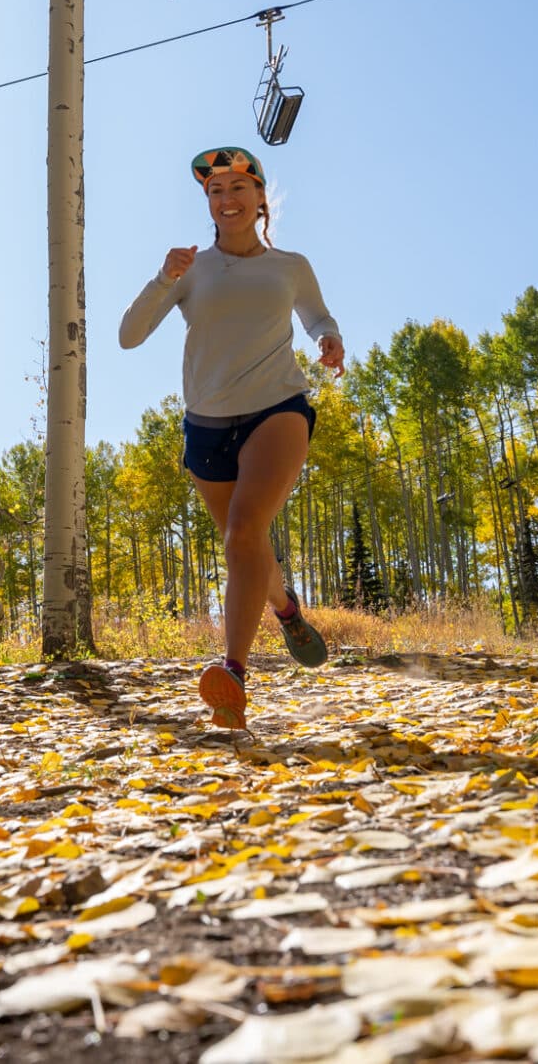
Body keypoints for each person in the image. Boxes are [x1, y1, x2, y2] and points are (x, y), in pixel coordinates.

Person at [118, 145, 344, 729]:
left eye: (238, 188)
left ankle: (233, 674)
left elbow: (317, 315)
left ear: (261, 198)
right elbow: (129, 336)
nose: (227, 200)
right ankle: (287, 610)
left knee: (245, 529)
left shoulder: (289, 266)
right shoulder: (190, 269)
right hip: (206, 426)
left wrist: (329, 340)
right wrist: (160, 278)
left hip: (278, 409)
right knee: (246, 545)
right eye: (216, 192)